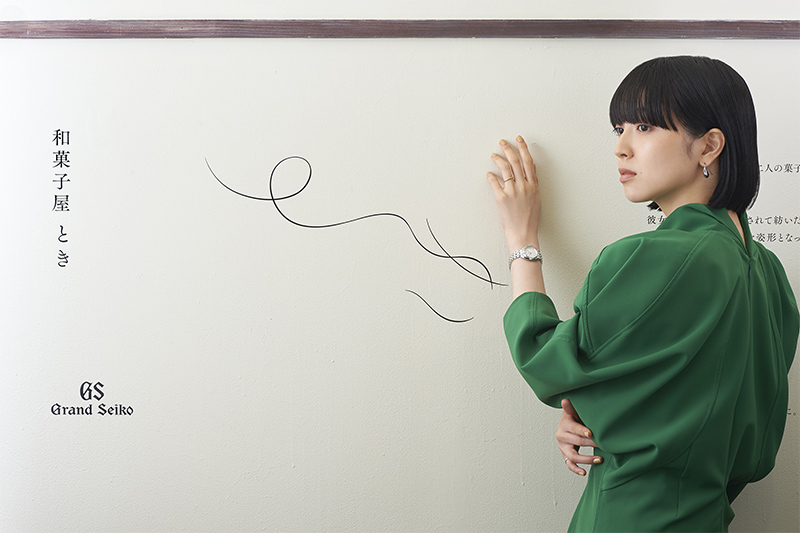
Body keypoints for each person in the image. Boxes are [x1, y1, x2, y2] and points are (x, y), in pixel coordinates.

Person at [486, 56, 799, 532]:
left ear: (709, 146)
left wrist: (521, 240)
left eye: (646, 126)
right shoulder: (770, 275)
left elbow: (544, 358)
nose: (621, 148)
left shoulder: (661, 255)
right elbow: (732, 428)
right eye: (620, 128)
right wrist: (593, 413)